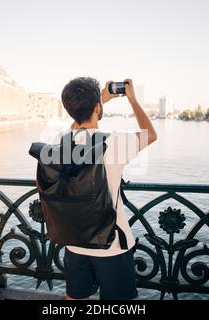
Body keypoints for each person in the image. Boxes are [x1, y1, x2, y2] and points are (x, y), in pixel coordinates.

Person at [60, 77, 157, 300]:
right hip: (112, 244)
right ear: (97, 108)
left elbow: (76, 125)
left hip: (74, 242)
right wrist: (132, 99)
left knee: (75, 299)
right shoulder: (114, 143)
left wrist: (99, 100)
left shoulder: (62, 143)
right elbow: (150, 134)